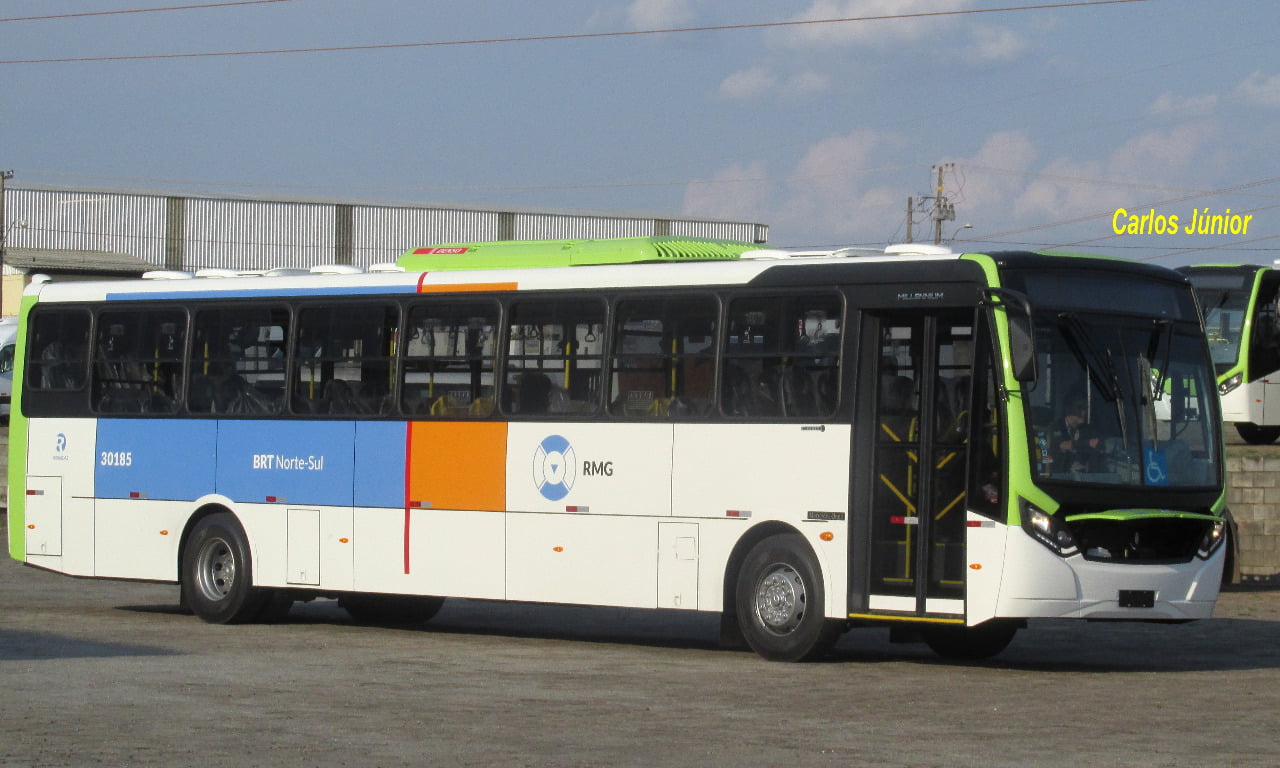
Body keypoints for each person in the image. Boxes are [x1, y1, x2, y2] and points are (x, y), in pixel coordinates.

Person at [1052, 397, 1101, 473]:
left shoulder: (1087, 430)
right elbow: (1062, 445)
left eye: (1085, 409)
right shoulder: (1055, 427)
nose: (1084, 412)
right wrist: (1087, 443)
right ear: (1070, 412)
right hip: (1058, 474)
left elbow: (1097, 447)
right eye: (1080, 408)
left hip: (1082, 476)